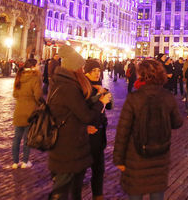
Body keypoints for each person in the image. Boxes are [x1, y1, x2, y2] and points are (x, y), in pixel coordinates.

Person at [114, 60, 183, 200]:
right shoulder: (167, 96)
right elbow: (177, 123)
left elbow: (123, 131)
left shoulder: (134, 98)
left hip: (136, 155)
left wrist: (119, 159)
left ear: (141, 75)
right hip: (160, 154)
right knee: (157, 192)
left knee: (135, 192)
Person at [47, 45, 110, 200]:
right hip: (68, 145)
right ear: (74, 69)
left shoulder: (61, 83)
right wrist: (100, 102)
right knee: (65, 188)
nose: (83, 71)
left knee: (69, 185)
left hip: (67, 142)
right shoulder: (68, 87)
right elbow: (86, 115)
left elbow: (75, 110)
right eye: (81, 68)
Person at [85, 59, 112, 200]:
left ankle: (98, 195)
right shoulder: (84, 87)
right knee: (83, 167)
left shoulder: (99, 85)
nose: (96, 74)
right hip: (88, 133)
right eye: (93, 71)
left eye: (98, 71)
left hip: (100, 131)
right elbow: (84, 110)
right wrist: (99, 99)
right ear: (87, 72)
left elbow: (107, 107)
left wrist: (107, 97)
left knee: (99, 168)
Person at [11, 58, 42, 169]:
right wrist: (41, 104)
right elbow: (37, 95)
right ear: (33, 66)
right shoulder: (35, 77)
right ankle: (25, 161)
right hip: (30, 111)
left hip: (19, 110)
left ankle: (15, 162)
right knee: (27, 138)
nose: (39, 66)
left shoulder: (19, 76)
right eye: (38, 64)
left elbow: (15, 94)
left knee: (17, 138)